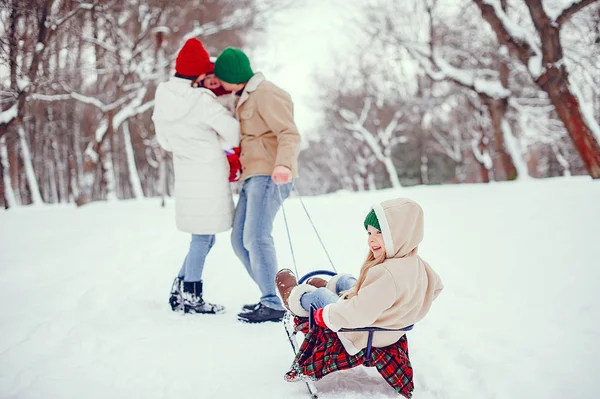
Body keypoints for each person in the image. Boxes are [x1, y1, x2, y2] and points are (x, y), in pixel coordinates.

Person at [276, 198, 444, 397]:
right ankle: (326, 286)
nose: (371, 240)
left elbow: (355, 315)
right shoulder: (418, 264)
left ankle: (294, 296)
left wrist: (324, 316)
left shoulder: (387, 275)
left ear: (400, 235)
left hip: (362, 332)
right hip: (389, 328)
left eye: (380, 233)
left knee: (320, 296)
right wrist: (402, 310)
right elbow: (436, 288)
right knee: (347, 280)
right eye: (369, 233)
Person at [213, 47, 301, 323]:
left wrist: (284, 164)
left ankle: (273, 302)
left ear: (232, 76)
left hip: (270, 174)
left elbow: (288, 132)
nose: (220, 85)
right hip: (252, 176)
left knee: (257, 237)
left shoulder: (266, 93)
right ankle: (274, 296)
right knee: (239, 240)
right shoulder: (244, 96)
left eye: (221, 79)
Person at [152, 38, 240, 314]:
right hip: (209, 173)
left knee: (204, 237)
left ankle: (179, 288)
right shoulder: (201, 100)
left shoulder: (163, 96)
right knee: (204, 237)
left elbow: (164, 140)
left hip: (187, 172)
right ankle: (192, 296)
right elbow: (233, 132)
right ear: (199, 72)